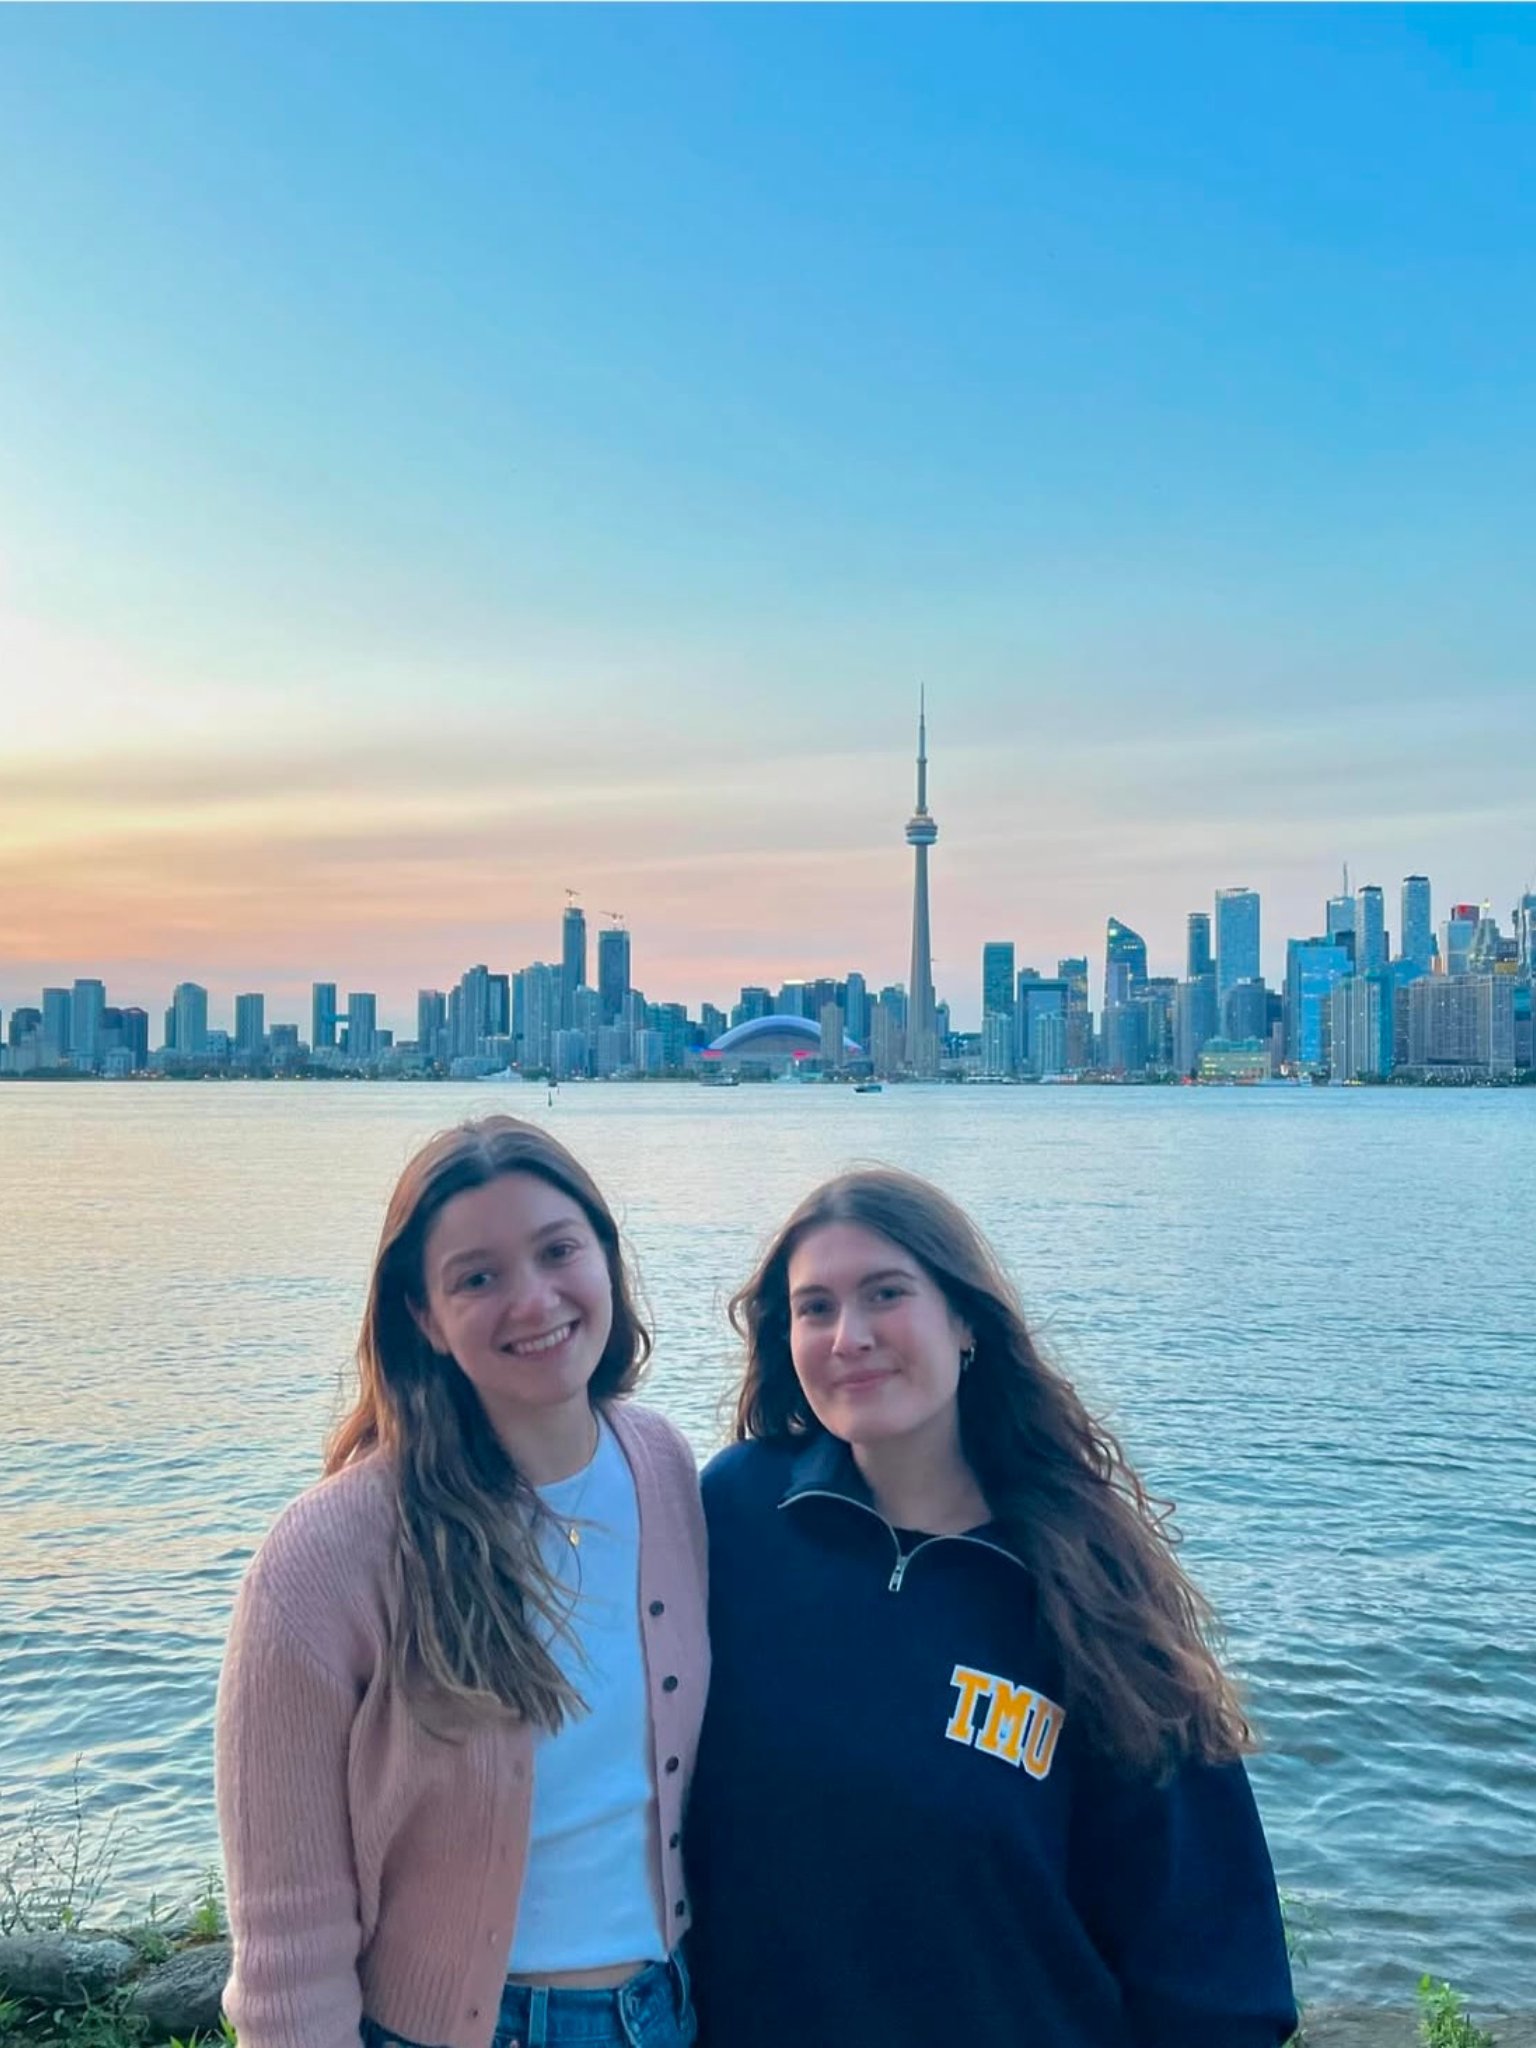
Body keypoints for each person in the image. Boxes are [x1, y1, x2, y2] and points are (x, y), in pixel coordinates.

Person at [686, 1166, 1297, 2048]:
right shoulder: (736, 1514)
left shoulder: (1085, 1578)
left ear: (965, 1320)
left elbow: (1212, 1953)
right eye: (814, 1308)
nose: (848, 1336)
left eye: (885, 1294)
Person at [217, 1116, 707, 2048]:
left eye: (559, 1250)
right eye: (476, 1277)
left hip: (670, 2014)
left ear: (605, 1258)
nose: (534, 1300)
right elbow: (288, 1946)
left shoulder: (666, 1469)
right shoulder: (328, 1556)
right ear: (423, 1318)